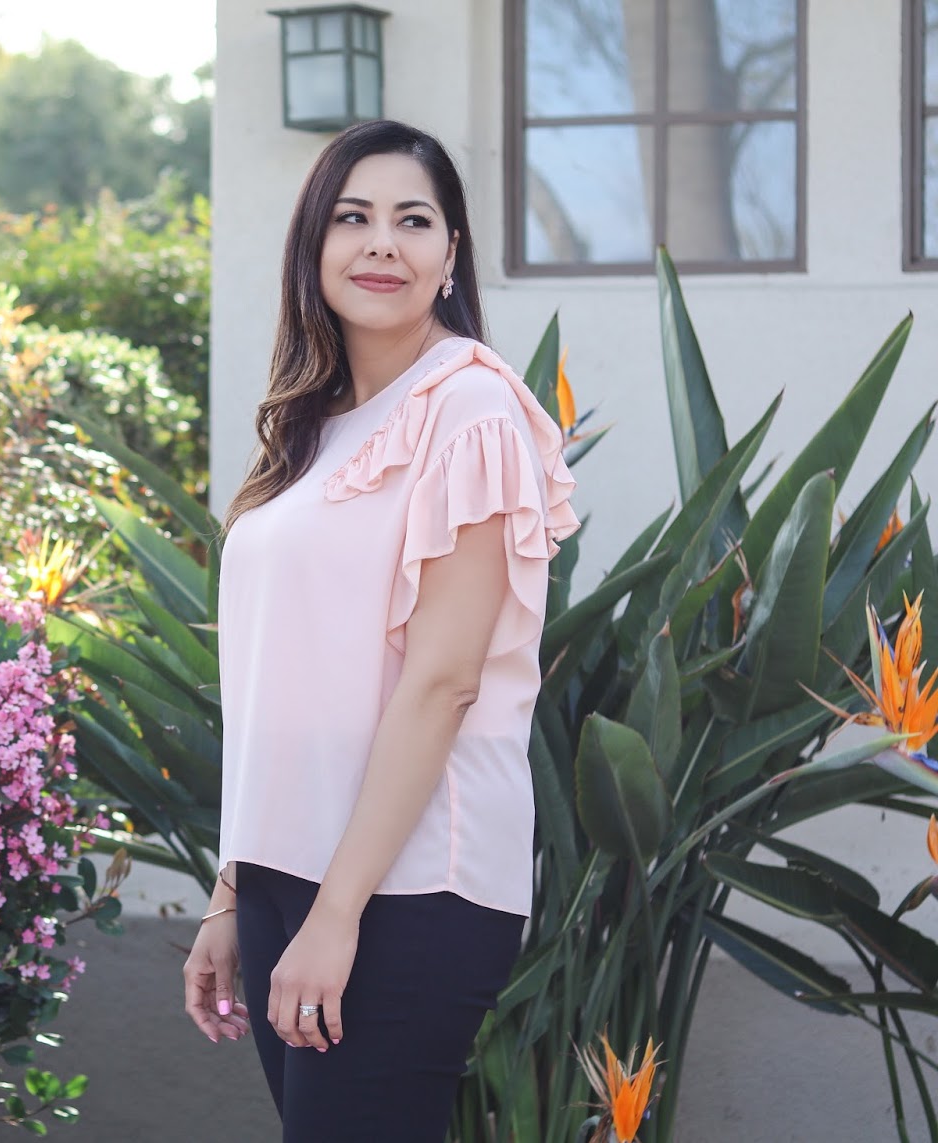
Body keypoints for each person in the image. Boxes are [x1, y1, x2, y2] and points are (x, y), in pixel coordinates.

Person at [182, 119, 580, 1141]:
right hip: (287, 874)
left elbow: (443, 682)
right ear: (313, 247)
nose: (381, 245)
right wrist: (236, 892)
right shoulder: (311, 429)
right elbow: (282, 685)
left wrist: (336, 914)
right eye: (352, 218)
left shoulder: (472, 411)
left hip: (404, 888)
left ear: (450, 255)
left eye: (413, 221)